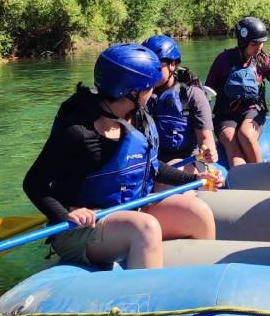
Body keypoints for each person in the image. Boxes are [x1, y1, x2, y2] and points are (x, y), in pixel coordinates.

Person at [23, 43, 217, 270]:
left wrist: (196, 181)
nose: (153, 93)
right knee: (145, 228)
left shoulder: (139, 119)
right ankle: (143, 301)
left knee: (198, 212)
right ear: (132, 92)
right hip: (82, 228)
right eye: (149, 88)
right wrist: (68, 213)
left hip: (130, 210)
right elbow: (34, 183)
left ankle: (206, 286)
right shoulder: (78, 132)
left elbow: (150, 166)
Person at [205, 17, 270, 167]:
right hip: (225, 114)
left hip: (253, 111)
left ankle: (262, 177)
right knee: (232, 144)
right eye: (254, 44)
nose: (259, 47)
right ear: (243, 43)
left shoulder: (263, 61)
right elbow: (208, 91)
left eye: (262, 42)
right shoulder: (223, 60)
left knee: (245, 135)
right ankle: (243, 185)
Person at [143, 34, 219, 174]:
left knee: (174, 166)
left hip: (188, 161)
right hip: (153, 161)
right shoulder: (139, 95)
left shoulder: (192, 94)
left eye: (157, 67)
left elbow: (206, 138)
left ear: (173, 65)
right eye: (147, 66)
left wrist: (208, 150)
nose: (150, 72)